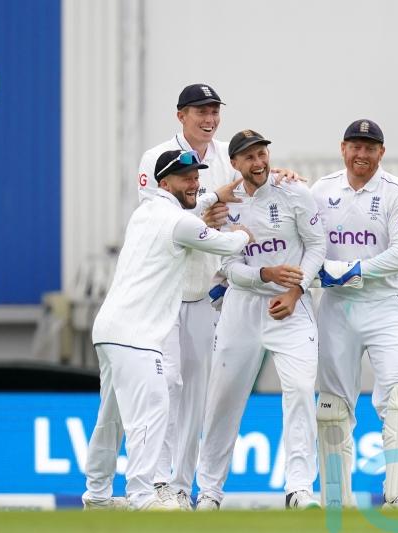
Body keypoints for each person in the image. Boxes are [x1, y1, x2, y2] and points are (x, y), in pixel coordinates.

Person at [135, 84, 300, 510]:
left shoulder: (231, 157)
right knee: (164, 385)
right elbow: (163, 216)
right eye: (199, 111)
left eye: (213, 111)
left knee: (196, 396)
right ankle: (154, 482)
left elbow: (262, 185)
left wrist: (285, 177)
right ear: (180, 115)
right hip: (167, 292)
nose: (208, 119)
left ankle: (180, 488)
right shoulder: (157, 158)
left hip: (210, 295)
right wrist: (213, 200)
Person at [82, 150, 253, 511]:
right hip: (137, 334)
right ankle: (142, 497)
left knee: (111, 416)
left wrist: (211, 196)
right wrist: (240, 233)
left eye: (196, 177)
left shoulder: (145, 214)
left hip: (110, 328)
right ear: (164, 183)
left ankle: (97, 496)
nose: (194, 183)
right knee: (154, 408)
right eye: (185, 178)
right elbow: (224, 243)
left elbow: (188, 208)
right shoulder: (179, 223)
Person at [194, 130, 326, 511]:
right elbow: (229, 265)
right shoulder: (223, 206)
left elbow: (316, 244)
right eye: (249, 157)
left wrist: (296, 290)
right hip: (242, 308)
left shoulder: (295, 192)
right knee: (223, 398)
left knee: (300, 390)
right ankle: (210, 492)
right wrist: (264, 275)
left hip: (291, 305)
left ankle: (299, 489)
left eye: (262, 153)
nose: (259, 162)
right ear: (235, 164)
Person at [311, 120, 398, 509]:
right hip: (337, 309)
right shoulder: (321, 190)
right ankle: (336, 502)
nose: (362, 155)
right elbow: (305, 241)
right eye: (355, 147)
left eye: (370, 148)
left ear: (381, 152)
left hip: (385, 306)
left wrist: (353, 269)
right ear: (343, 148)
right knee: (332, 406)